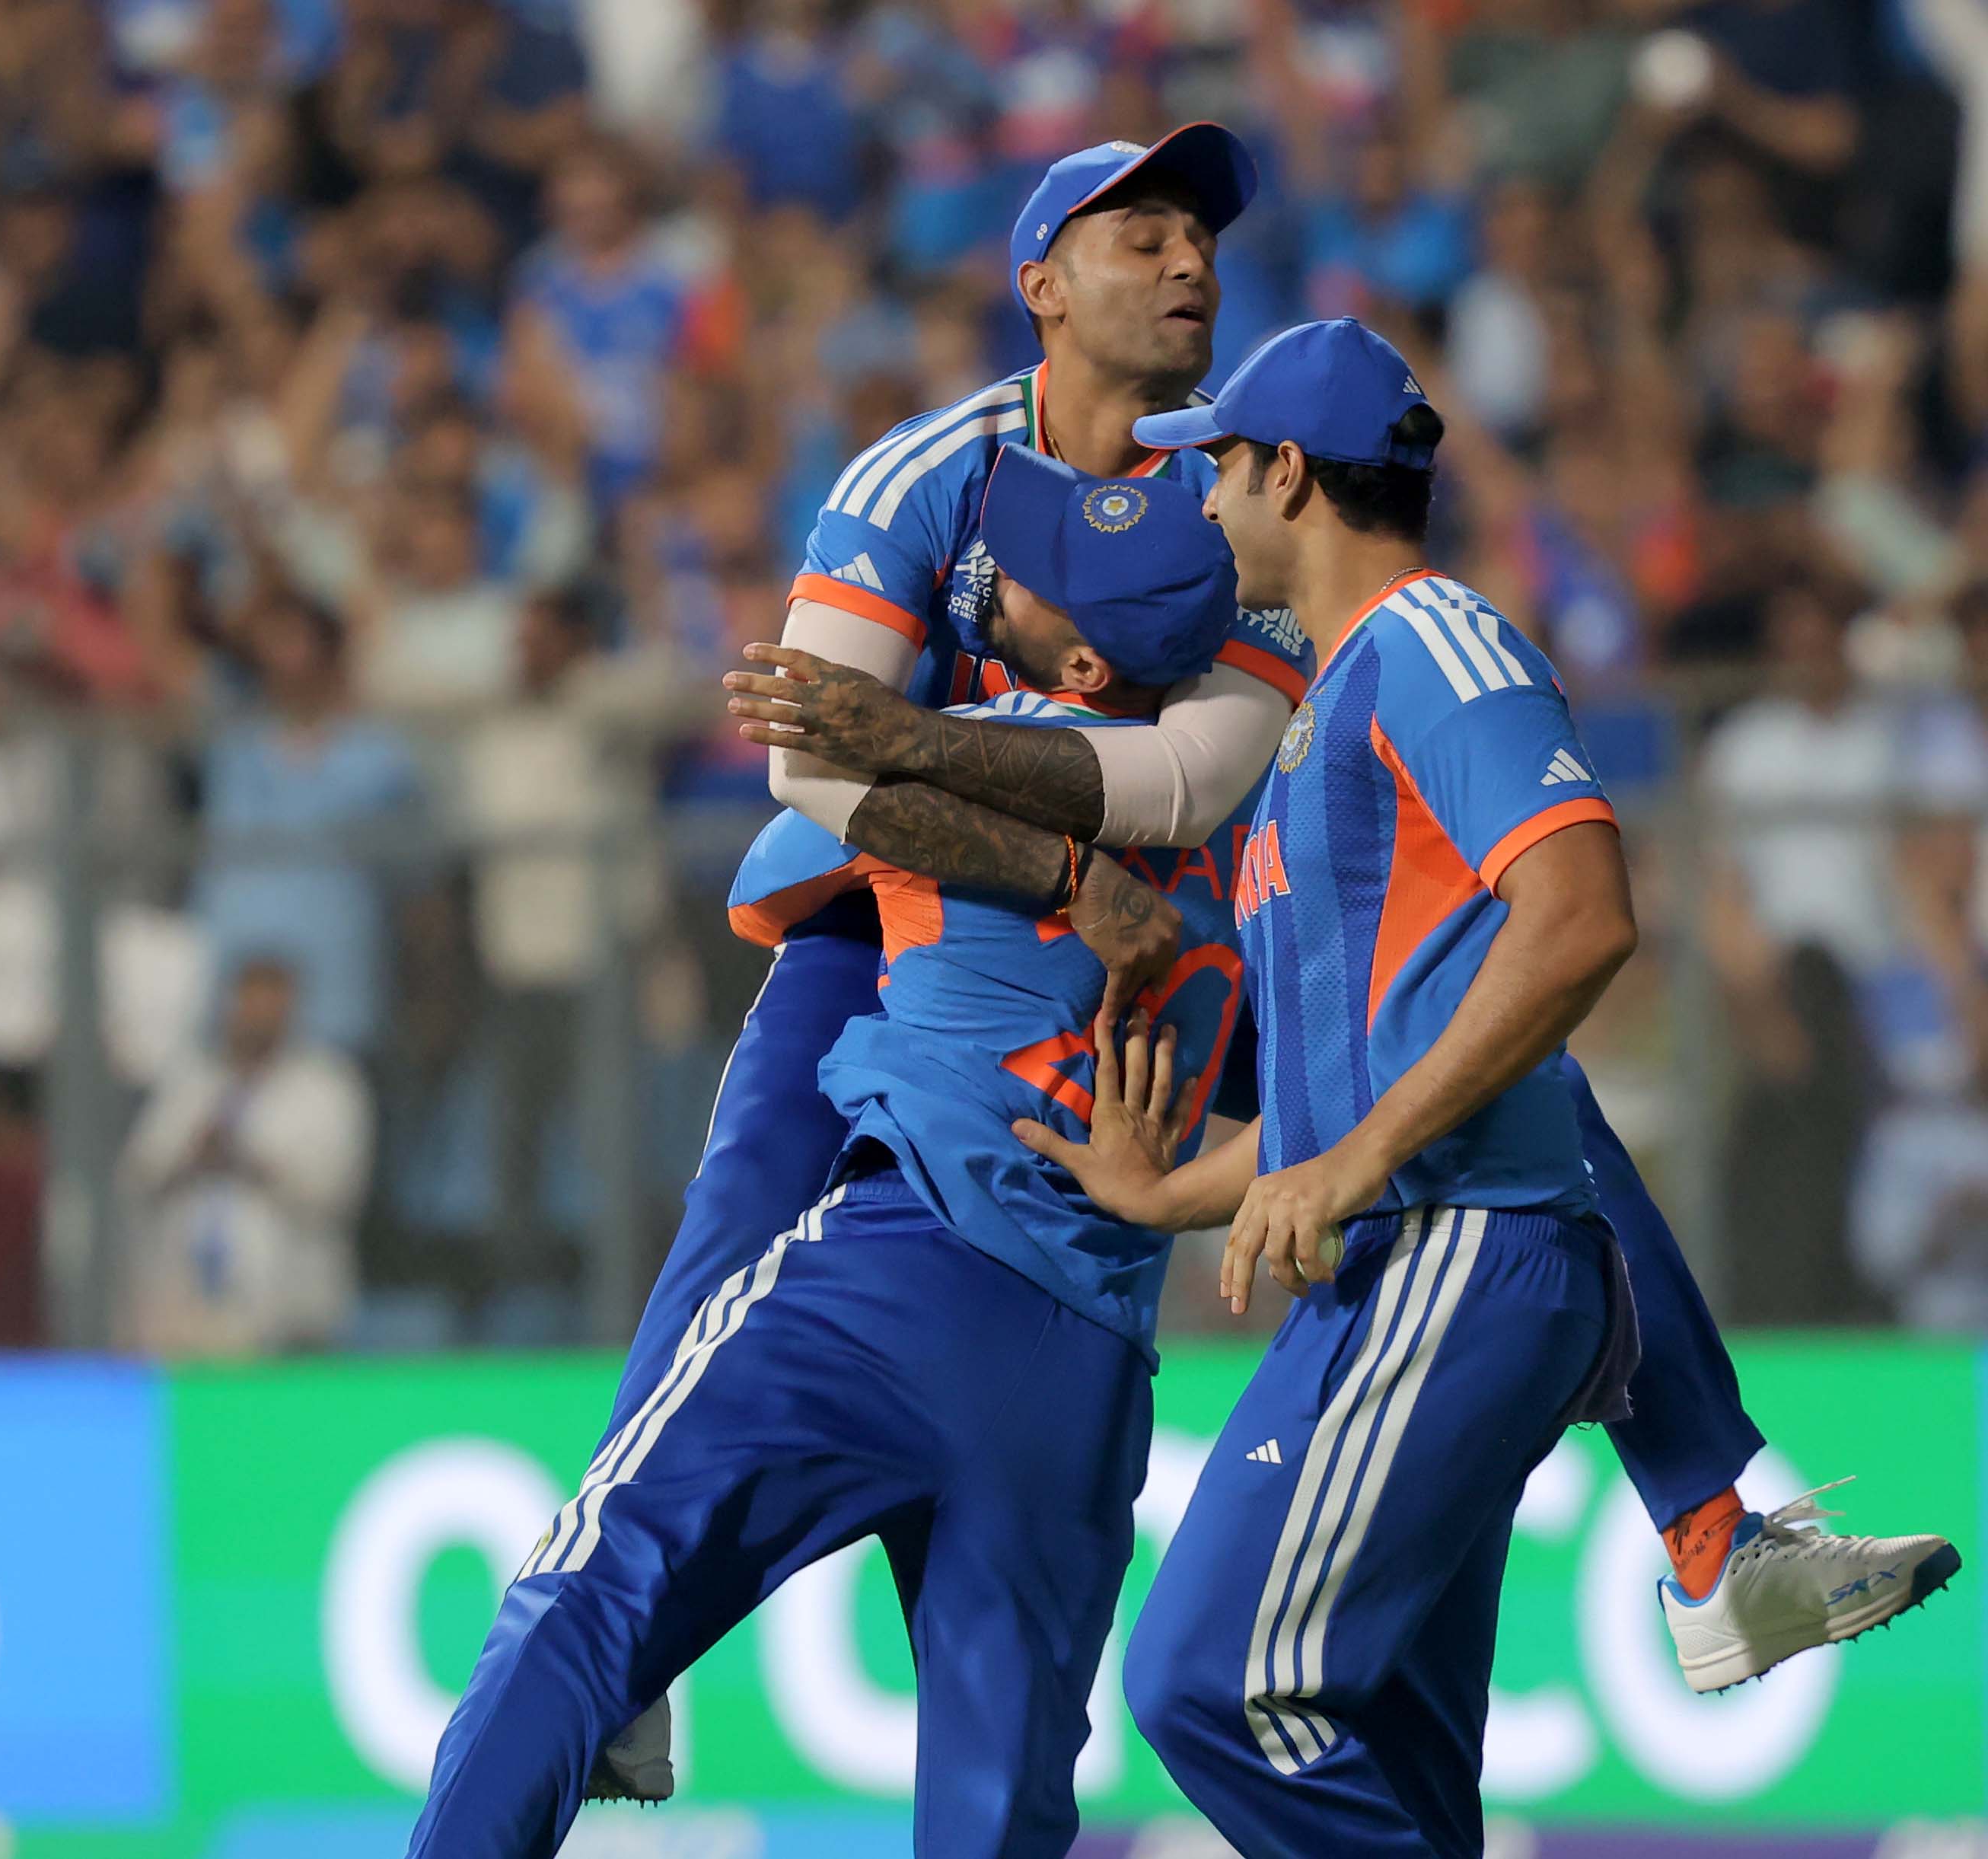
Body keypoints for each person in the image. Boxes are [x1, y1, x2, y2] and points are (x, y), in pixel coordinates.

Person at [1016, 320, 1958, 1855]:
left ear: (1293, 478)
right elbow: (1337, 1115)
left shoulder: (1439, 642)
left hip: (1454, 1254)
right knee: (1382, 1741)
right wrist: (1165, 1192)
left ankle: (1716, 1527)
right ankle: (1711, 1525)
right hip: (1406, 1253)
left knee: (1200, 1680)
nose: (1204, 503)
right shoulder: (1340, 694)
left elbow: (1583, 915)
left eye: (1222, 472)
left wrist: (1351, 1160)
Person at [407, 453, 1267, 1858]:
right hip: (1089, 1359)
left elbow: (783, 862)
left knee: (589, 1591)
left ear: (1086, 656)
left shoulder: (959, 759)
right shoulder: (1238, 866)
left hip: (891, 1283)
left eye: (1040, 571)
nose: (1002, 570)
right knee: (996, 1815)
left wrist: (906, 746)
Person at [117, 952, 373, 1357]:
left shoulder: (326, 1086)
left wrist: (250, 1161)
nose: (258, 1018)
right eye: (250, 1003)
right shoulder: (191, 1079)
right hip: (186, 1318)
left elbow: (338, 1192)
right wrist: (194, 1155)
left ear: (291, 1010)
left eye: (271, 1006)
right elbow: (138, 1174)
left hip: (291, 1318)